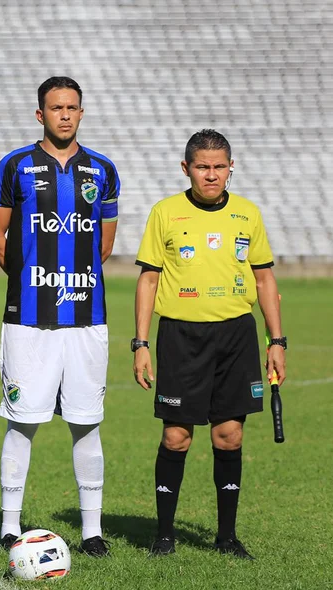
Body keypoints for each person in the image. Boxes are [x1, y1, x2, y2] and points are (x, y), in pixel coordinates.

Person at [133, 129, 285, 560]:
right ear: (187, 168)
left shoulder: (248, 214)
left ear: (230, 167)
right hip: (181, 336)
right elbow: (148, 279)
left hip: (236, 335)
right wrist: (140, 343)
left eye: (220, 167)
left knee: (229, 436)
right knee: (177, 436)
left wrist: (277, 340)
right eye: (203, 166)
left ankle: (227, 537)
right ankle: (164, 535)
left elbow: (264, 278)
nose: (212, 175)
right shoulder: (165, 212)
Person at [0, 76, 119, 556]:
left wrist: (69, 281)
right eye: (56, 107)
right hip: (29, 321)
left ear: (81, 113)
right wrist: (29, 280)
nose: (65, 114)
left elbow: (103, 243)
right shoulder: (14, 166)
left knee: (87, 423)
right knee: (23, 421)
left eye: (72, 107)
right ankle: (8, 524)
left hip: (86, 318)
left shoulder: (103, 170)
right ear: (40, 114)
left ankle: (92, 532)